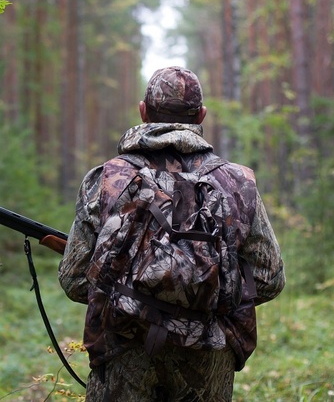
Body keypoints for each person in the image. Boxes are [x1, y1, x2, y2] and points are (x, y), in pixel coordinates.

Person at [58, 66, 285, 401]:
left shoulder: (107, 178)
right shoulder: (238, 182)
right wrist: (206, 298)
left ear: (143, 111)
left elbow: (75, 280)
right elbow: (269, 278)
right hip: (210, 354)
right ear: (201, 115)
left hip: (124, 349)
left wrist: (134, 296)